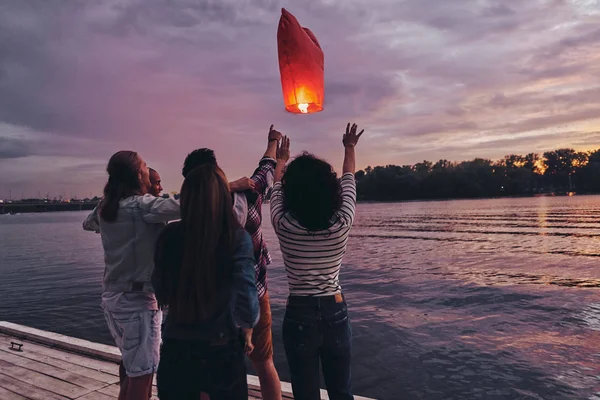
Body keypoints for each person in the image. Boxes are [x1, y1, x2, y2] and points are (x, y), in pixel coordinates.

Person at [181, 126, 283, 400]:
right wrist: (272, 141)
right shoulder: (248, 194)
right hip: (255, 295)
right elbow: (267, 169)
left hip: (212, 306)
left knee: (208, 376)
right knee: (265, 364)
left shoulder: (193, 211)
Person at [270, 123, 364, 400]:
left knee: (305, 393)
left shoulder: (283, 223)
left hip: (299, 312)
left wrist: (281, 159)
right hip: (334, 310)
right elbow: (349, 178)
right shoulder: (342, 222)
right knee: (341, 392)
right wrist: (349, 147)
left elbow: (276, 186)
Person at [152, 163, 259, 399]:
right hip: (221, 348)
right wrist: (248, 327)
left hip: (176, 347)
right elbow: (247, 294)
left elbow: (160, 290)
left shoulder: (168, 236)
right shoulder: (236, 238)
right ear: (223, 196)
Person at [83, 150, 180, 400]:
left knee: (132, 369)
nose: (148, 169)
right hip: (138, 302)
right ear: (138, 174)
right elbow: (186, 206)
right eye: (145, 165)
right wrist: (228, 186)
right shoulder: (142, 206)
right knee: (143, 375)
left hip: (113, 299)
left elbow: (89, 224)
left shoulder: (107, 207)